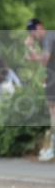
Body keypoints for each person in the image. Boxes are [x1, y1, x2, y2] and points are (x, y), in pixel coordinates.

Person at [25, 18, 55, 161]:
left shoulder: (49, 37)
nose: (32, 34)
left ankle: (53, 149)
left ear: (40, 27)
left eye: (32, 31)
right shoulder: (48, 38)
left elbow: (44, 60)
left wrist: (31, 49)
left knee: (53, 110)